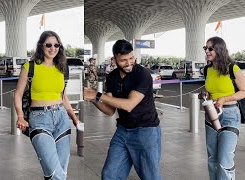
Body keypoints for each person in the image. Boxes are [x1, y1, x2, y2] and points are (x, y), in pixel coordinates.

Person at [84, 39, 162, 180]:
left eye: (131, 58)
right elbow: (110, 111)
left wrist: (98, 94)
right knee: (110, 175)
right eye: (123, 60)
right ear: (114, 59)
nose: (128, 63)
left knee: (150, 177)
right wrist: (92, 98)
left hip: (146, 130)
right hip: (123, 131)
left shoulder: (142, 74)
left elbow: (129, 105)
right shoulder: (112, 77)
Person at [14, 30, 81, 180]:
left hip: (62, 119)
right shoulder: (29, 67)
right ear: (41, 46)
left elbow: (63, 96)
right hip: (39, 119)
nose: (53, 48)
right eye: (49, 45)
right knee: (54, 173)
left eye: (56, 45)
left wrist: (74, 118)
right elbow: (18, 94)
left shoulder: (62, 68)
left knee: (61, 171)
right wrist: (20, 116)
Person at [200, 36, 245, 180]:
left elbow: (243, 91)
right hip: (211, 114)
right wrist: (206, 94)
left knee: (225, 159)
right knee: (212, 157)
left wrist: (225, 99)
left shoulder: (232, 68)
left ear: (219, 49)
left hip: (230, 114)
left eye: (210, 48)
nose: (207, 51)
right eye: (205, 48)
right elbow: (211, 90)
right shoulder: (207, 69)